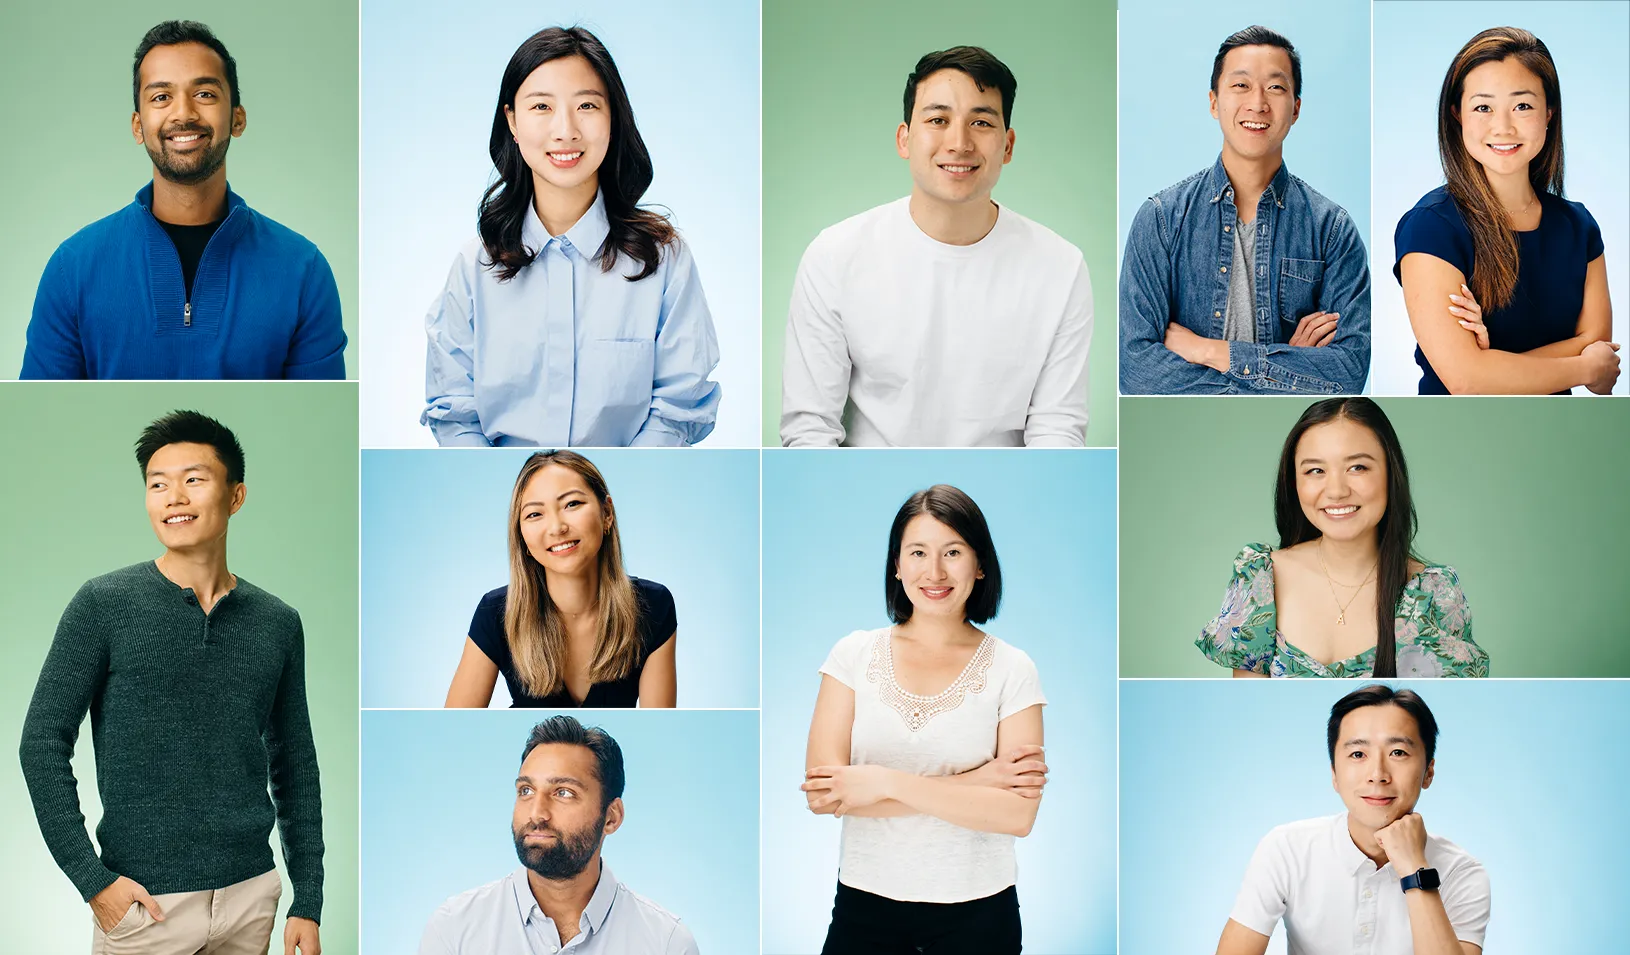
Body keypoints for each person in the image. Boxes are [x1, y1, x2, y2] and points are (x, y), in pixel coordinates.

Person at [18, 411, 324, 955]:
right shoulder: (104, 604)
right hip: (144, 905)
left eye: (193, 480)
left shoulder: (278, 622)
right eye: (157, 484)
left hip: (250, 898)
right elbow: (41, 743)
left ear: (236, 496)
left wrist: (308, 899)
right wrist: (94, 882)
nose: (172, 497)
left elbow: (295, 762)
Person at [780, 46, 1092, 448]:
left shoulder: (1060, 267)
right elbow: (810, 430)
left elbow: (1058, 432)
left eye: (981, 122)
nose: (959, 142)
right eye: (938, 119)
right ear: (904, 138)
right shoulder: (834, 256)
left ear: (1008, 145)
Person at [422, 26, 721, 447]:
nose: (565, 130)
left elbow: (678, 406)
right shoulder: (475, 268)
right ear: (512, 120)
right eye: (541, 106)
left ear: (613, 117)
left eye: (586, 105)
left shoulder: (664, 260)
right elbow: (454, 413)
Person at [21, 20, 347, 380]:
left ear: (237, 118)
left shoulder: (304, 272)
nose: (184, 114)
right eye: (161, 97)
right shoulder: (72, 270)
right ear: (137, 126)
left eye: (205, 94)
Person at [801, 485, 1047, 954]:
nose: (934, 571)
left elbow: (1017, 815)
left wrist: (877, 781)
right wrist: (978, 782)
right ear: (896, 565)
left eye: (953, 552)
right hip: (863, 907)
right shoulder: (853, 655)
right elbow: (824, 794)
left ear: (980, 565)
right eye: (917, 552)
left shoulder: (1013, 668)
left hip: (980, 914)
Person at [1120, 25, 1371, 395]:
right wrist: (1285, 368)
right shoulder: (1161, 220)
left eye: (1275, 87)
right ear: (1213, 102)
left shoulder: (1332, 230)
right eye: (1240, 85)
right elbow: (1137, 373)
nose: (1258, 103)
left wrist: (1207, 351)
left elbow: (1348, 373)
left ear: (1296, 108)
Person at [1394, 26, 1619, 395]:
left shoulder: (1579, 226)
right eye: (1483, 107)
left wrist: (1493, 363)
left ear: (1549, 112)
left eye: (1523, 106)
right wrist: (1581, 367)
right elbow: (1466, 381)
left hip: (1555, 428)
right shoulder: (1431, 228)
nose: (1503, 126)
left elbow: (1598, 341)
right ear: (1457, 115)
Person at [1197, 397, 1488, 678]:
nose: (1336, 490)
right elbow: (1254, 712)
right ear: (1293, 482)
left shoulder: (1434, 595)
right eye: (1315, 470)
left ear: (1391, 473)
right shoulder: (1259, 578)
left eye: (1357, 467)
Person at [1216, 685, 1490, 955]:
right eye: (1358, 754)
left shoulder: (1461, 873)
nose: (1378, 774)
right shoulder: (1287, 849)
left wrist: (1415, 870)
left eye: (1398, 752)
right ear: (1334, 774)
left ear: (1428, 771)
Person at [419, 715, 699, 954]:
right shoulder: (454, 930)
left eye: (563, 793)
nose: (537, 814)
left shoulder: (667, 944)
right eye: (526, 791)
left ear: (611, 817)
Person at [446, 451, 677, 708]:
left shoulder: (653, 605)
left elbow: (657, 718)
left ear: (607, 514)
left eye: (572, 504)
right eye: (535, 514)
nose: (557, 528)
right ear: (521, 535)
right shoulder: (496, 612)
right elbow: (454, 722)